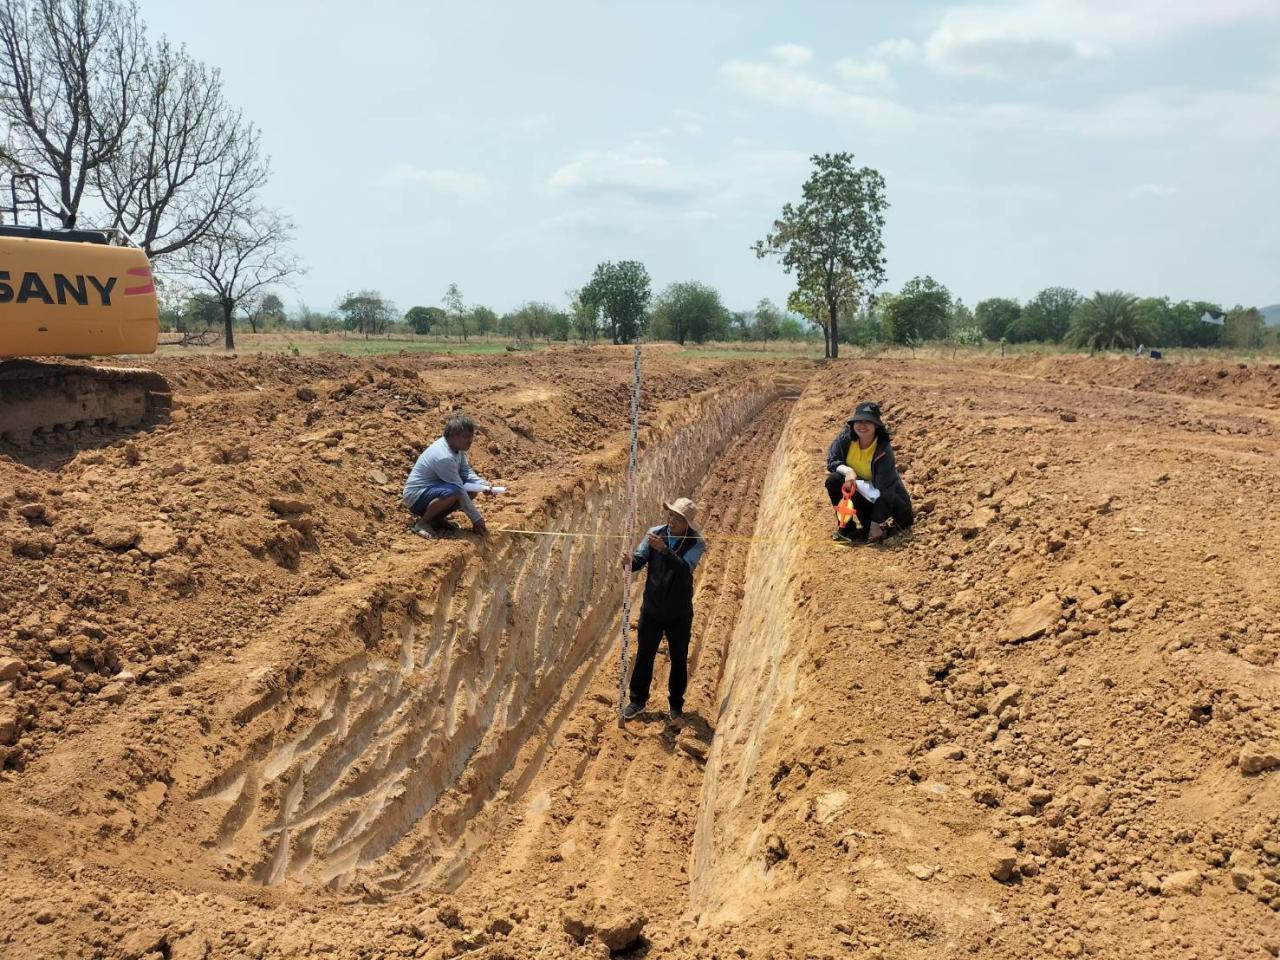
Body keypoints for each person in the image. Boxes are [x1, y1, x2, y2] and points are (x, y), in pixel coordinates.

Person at [620, 497, 705, 722]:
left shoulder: (697, 542)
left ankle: (676, 705)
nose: (672, 521)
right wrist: (629, 561)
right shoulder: (655, 533)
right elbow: (639, 560)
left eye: (678, 518)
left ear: (687, 523)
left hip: (679, 612)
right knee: (645, 655)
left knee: (678, 658)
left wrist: (665, 550)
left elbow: (684, 571)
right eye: (671, 515)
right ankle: (637, 701)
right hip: (653, 609)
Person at [825, 401, 913, 544]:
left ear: (876, 425)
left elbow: (886, 490)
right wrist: (848, 471)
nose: (862, 425)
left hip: (883, 499)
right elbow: (832, 459)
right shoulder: (846, 438)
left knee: (872, 527)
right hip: (861, 490)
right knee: (834, 480)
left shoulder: (883, 450)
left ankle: (872, 525)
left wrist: (875, 523)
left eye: (868, 422)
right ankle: (847, 527)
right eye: (859, 421)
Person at [402, 414, 492, 538]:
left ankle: (437, 520)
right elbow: (459, 489)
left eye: (471, 436)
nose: (470, 441)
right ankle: (422, 523)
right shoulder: (444, 456)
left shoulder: (457, 449)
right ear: (454, 435)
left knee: (471, 490)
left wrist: (482, 484)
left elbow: (465, 471)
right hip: (417, 497)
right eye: (466, 437)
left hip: (434, 490)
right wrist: (476, 519)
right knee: (454, 492)